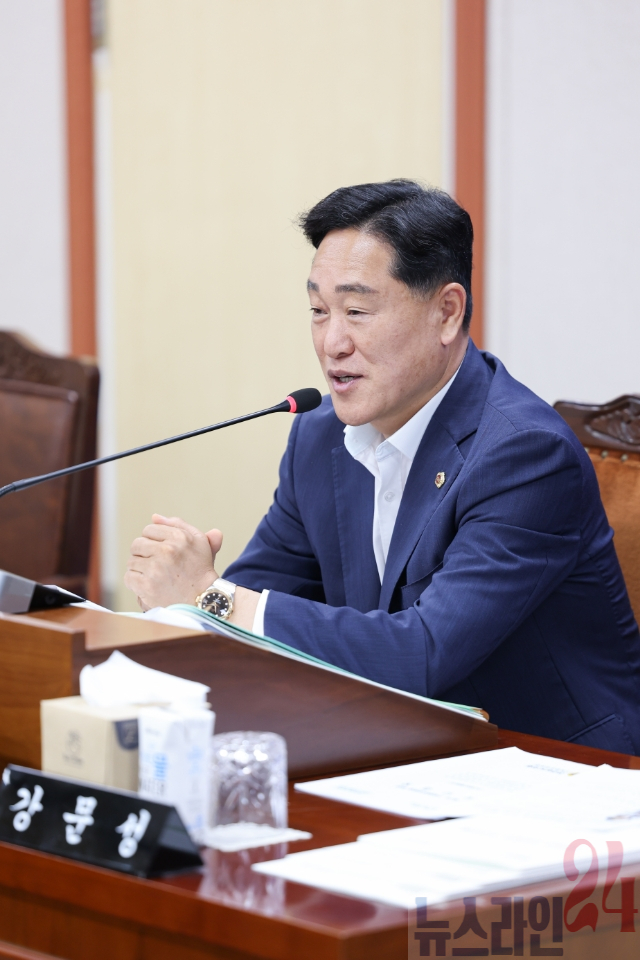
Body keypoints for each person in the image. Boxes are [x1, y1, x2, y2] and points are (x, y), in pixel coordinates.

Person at [125, 179, 640, 753]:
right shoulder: (320, 435)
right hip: (401, 745)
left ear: (447, 313)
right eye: (318, 311)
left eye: (357, 311)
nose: (332, 343)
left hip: (560, 765)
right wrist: (184, 602)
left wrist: (209, 598)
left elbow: (423, 653)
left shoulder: (526, 455)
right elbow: (254, 598)